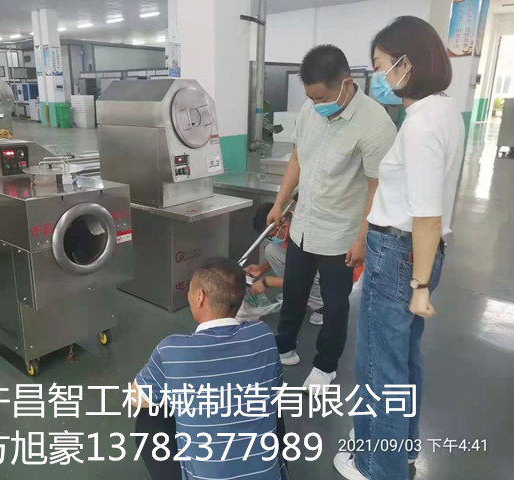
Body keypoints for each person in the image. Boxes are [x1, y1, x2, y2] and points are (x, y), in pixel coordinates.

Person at [332, 17, 465, 480]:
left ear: (407, 64)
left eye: (382, 65)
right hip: (417, 251)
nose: (380, 76)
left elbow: (425, 212)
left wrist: (419, 285)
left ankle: (376, 466)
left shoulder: (422, 123)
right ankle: (401, 449)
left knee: (379, 367)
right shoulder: (444, 111)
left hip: (400, 254)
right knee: (404, 359)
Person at [268, 45, 397, 386]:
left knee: (335, 305)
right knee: (293, 292)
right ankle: (284, 346)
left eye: (322, 98)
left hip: (342, 233)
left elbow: (378, 187)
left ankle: (325, 365)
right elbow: (297, 158)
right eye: (311, 98)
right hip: (304, 224)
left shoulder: (375, 125)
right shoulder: (311, 109)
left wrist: (362, 238)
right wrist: (279, 203)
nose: (316, 105)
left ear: (346, 83)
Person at [130, 258, 288, 480]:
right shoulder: (263, 336)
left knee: (149, 415)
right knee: (271, 401)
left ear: (200, 297)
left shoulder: (172, 350)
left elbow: (136, 398)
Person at [243, 202, 325, 326]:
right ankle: (296, 293)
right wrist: (260, 269)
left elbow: (304, 277)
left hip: (332, 272)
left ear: (284, 223)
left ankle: (321, 305)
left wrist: (267, 282)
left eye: (271, 236)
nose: (271, 239)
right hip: (307, 265)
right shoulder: (288, 228)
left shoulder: (304, 232)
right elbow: (291, 259)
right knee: (271, 249)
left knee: (314, 276)